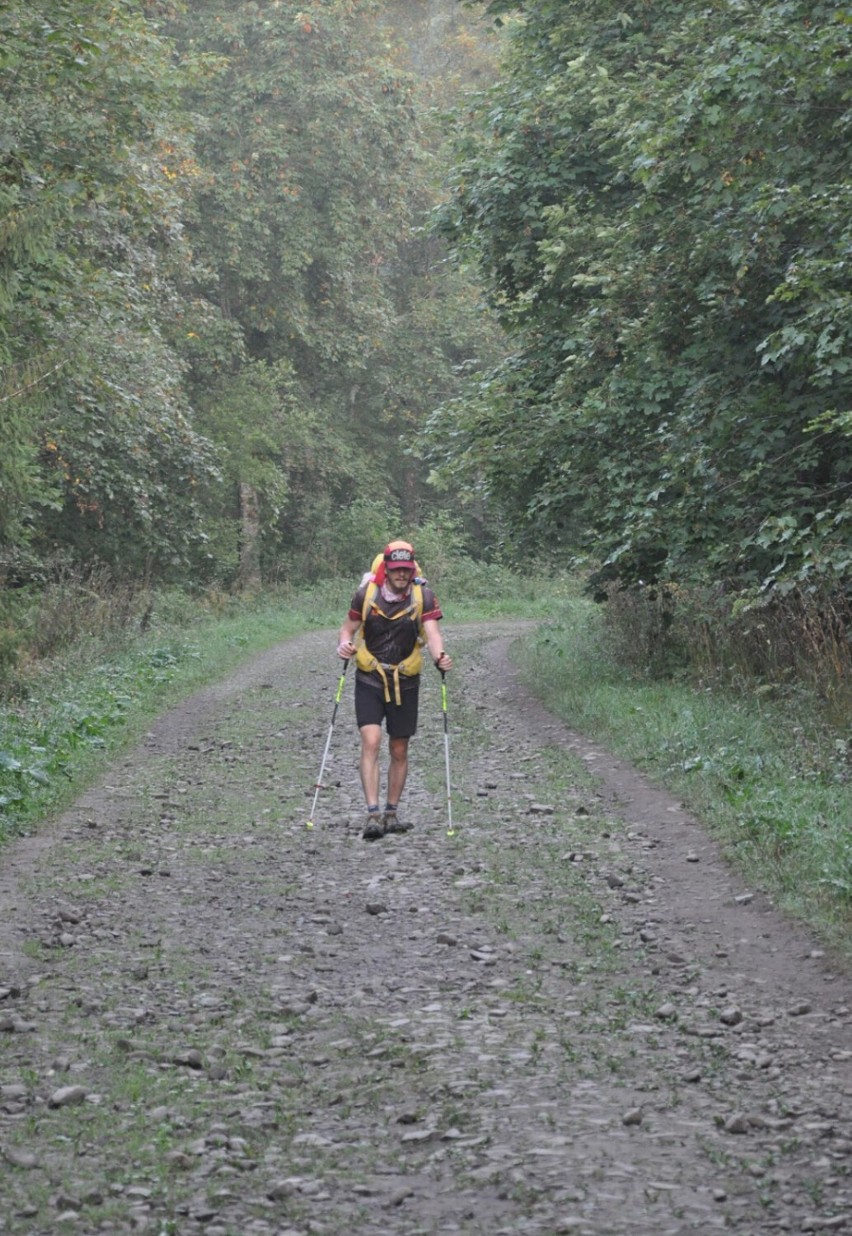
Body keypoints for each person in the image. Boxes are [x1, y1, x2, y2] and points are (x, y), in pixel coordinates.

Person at [337, 541, 452, 840]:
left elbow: (433, 633)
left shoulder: (423, 596)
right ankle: (372, 813)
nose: (401, 574)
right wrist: (344, 644)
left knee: (399, 748)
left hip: (405, 679)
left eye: (406, 569)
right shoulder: (366, 594)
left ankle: (391, 812)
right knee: (371, 740)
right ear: (386, 568)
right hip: (369, 676)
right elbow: (348, 628)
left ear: (412, 570)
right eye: (396, 569)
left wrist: (440, 657)